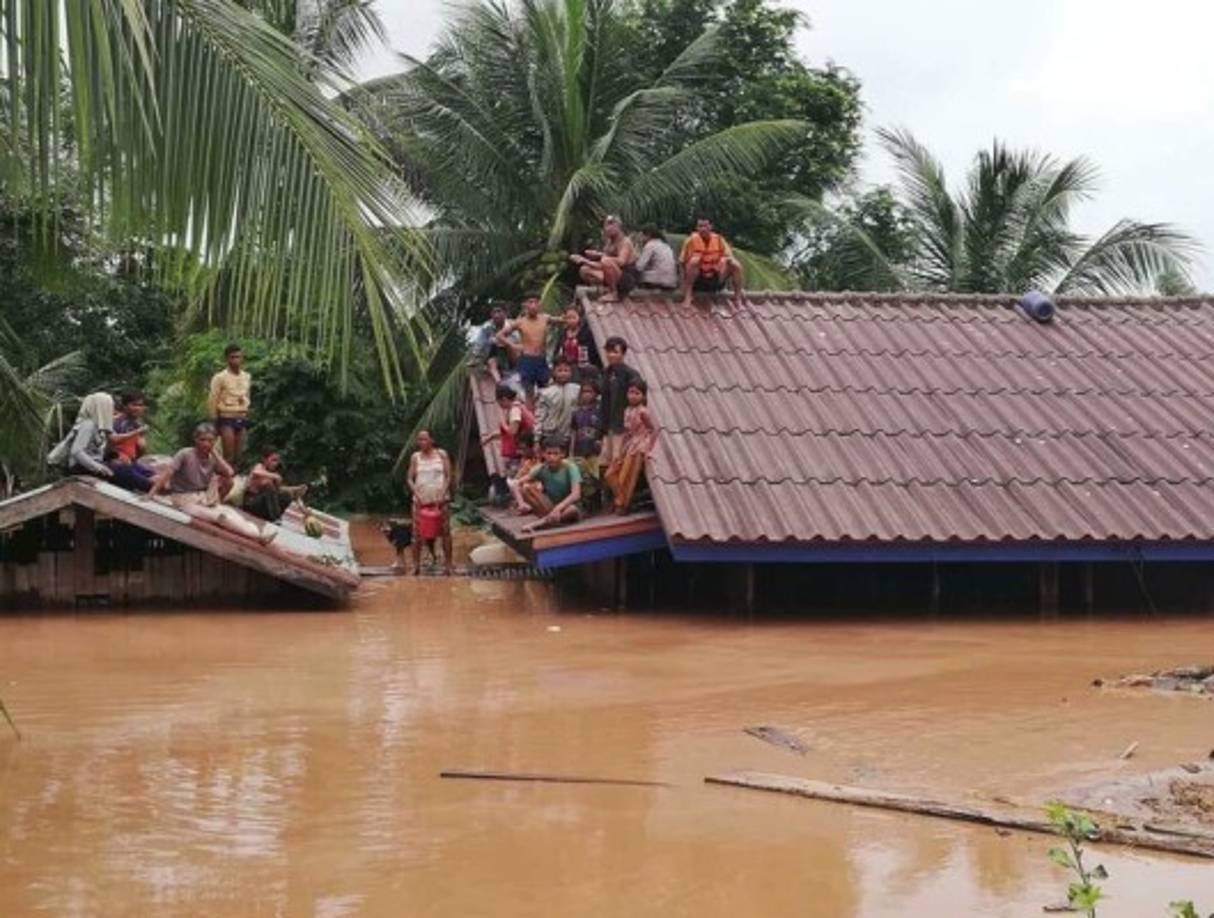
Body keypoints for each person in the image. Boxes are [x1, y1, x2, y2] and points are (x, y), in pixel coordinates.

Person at [150, 423, 275, 544]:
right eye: (202, 440)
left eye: (210, 441)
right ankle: (257, 536)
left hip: (203, 498)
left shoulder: (212, 458)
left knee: (230, 512)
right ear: (195, 440)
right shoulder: (185, 454)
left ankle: (258, 533)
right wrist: (151, 494)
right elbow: (167, 474)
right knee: (220, 517)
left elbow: (230, 473)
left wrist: (215, 454)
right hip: (184, 499)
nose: (206, 444)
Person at [603, 379, 657, 514]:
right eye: (631, 392)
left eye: (637, 393)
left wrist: (649, 449)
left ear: (643, 396)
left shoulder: (643, 411)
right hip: (629, 445)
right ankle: (620, 499)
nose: (633, 396)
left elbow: (652, 430)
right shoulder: (627, 410)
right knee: (611, 473)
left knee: (628, 476)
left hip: (640, 445)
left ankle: (622, 504)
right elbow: (626, 432)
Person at [406, 429, 454, 575]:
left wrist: (443, 493)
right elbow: (409, 478)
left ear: (432, 440)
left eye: (424, 439)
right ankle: (416, 566)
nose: (421, 442)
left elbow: (448, 476)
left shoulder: (442, 454)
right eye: (419, 440)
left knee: (445, 532)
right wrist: (417, 494)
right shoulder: (415, 457)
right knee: (416, 534)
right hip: (420, 502)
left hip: (441, 501)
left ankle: (448, 565)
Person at [496, 297, 555, 401]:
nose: (533, 305)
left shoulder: (545, 318)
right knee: (529, 390)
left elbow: (563, 319)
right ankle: (529, 409)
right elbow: (500, 335)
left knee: (545, 390)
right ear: (525, 305)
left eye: (536, 302)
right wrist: (512, 345)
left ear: (539, 305)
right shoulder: (520, 322)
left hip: (541, 359)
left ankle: (541, 409)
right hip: (527, 359)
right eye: (530, 302)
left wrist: (571, 314)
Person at [48, 391, 116, 482]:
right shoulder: (88, 425)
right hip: (81, 466)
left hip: (90, 464)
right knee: (127, 474)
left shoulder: (97, 427)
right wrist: (99, 468)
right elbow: (76, 452)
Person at [679, 215, 745, 307]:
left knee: (735, 264)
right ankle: (688, 296)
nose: (702, 229)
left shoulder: (719, 240)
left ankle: (737, 298)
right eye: (700, 226)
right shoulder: (690, 241)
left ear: (711, 226)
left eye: (705, 226)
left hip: (716, 277)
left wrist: (723, 260)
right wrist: (682, 284)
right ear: (696, 227)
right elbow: (681, 262)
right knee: (694, 261)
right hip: (698, 280)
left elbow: (729, 257)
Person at [597, 336, 642, 467]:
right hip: (608, 425)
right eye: (608, 351)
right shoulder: (606, 372)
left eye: (615, 352)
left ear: (623, 354)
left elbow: (639, 400)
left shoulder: (631, 375)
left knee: (617, 460)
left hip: (623, 425)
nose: (611, 355)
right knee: (604, 460)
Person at [570, 215, 638, 301]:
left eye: (611, 224)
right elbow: (602, 264)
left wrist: (602, 256)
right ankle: (605, 288)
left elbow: (621, 261)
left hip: (626, 278)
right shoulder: (609, 242)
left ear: (618, 227)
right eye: (606, 225)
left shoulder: (625, 242)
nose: (607, 228)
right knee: (584, 270)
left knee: (606, 261)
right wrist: (583, 260)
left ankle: (615, 293)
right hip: (612, 273)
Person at [521, 438, 583, 532]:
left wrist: (559, 508)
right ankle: (550, 519)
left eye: (556, 454)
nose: (552, 457)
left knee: (573, 509)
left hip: (568, 507)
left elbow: (576, 494)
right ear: (543, 454)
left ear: (562, 454)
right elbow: (517, 483)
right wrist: (521, 503)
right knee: (526, 489)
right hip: (550, 507)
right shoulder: (541, 468)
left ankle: (540, 524)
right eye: (549, 453)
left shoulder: (570, 467)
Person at [208, 343, 252, 462]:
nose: (236, 360)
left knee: (239, 455)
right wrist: (214, 420)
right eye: (232, 357)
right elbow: (213, 399)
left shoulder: (246, 376)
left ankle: (234, 473)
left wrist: (247, 410)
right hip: (226, 417)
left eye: (238, 357)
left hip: (241, 416)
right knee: (229, 455)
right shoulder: (220, 377)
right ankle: (224, 472)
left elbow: (247, 395)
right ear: (227, 359)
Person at [106, 389, 154, 493]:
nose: (138, 408)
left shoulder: (137, 424)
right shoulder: (116, 422)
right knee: (151, 485)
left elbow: (139, 452)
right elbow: (109, 444)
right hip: (117, 465)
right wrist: (118, 456)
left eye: (140, 405)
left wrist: (142, 445)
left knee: (158, 478)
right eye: (134, 405)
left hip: (131, 464)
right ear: (124, 406)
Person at [242, 448, 307, 522]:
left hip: (263, 506)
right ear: (265, 459)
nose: (275, 463)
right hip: (251, 503)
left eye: (277, 461)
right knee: (268, 485)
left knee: (286, 495)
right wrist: (274, 476)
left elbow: (278, 490)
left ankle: (273, 516)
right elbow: (255, 471)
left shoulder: (273, 475)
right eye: (273, 460)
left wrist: (295, 489)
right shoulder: (260, 466)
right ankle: (275, 517)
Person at [472, 304, 522, 388]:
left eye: (499, 311)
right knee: (492, 362)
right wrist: (476, 356)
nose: (496, 315)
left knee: (509, 345)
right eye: (494, 312)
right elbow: (479, 343)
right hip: (495, 355)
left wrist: (505, 341)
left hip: (512, 355)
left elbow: (519, 342)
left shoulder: (512, 325)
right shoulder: (487, 327)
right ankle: (500, 383)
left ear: (505, 313)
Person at [534, 358, 580, 444]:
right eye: (560, 370)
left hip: (568, 435)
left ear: (571, 372)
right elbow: (539, 416)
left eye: (566, 370)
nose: (563, 374)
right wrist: (537, 438)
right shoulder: (546, 393)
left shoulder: (577, 390)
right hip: (548, 434)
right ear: (553, 372)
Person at [550, 305, 601, 383]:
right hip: (567, 369)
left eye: (573, 317)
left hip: (584, 368)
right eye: (568, 318)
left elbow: (593, 352)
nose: (571, 320)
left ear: (579, 317)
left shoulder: (586, 332)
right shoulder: (563, 334)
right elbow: (557, 351)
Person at [495, 383, 535, 478]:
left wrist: (503, 424)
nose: (499, 405)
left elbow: (513, 431)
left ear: (504, 399)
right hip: (526, 445)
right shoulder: (520, 406)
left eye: (499, 402)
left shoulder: (515, 410)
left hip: (522, 448)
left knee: (515, 475)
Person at [505, 431, 541, 513]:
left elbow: (536, 474)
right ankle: (523, 505)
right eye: (520, 449)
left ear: (532, 447)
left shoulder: (540, 457)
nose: (521, 452)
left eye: (524, 449)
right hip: (528, 483)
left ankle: (525, 506)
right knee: (512, 482)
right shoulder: (526, 460)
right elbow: (519, 475)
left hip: (539, 485)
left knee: (524, 486)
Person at [635, 225, 678, 291]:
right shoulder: (665, 245)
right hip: (671, 282)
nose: (641, 238)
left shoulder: (650, 245)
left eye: (642, 236)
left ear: (648, 235)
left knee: (632, 273)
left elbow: (639, 266)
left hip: (656, 281)